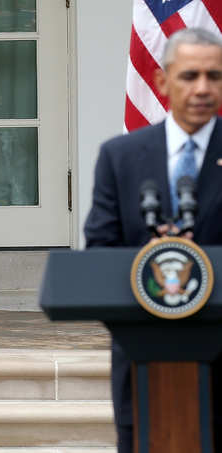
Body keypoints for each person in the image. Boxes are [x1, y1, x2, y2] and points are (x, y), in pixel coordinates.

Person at [84, 26, 222, 453]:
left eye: (214, 76)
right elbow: (100, 255)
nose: (202, 88)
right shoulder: (120, 157)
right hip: (144, 366)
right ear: (163, 81)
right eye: (189, 76)